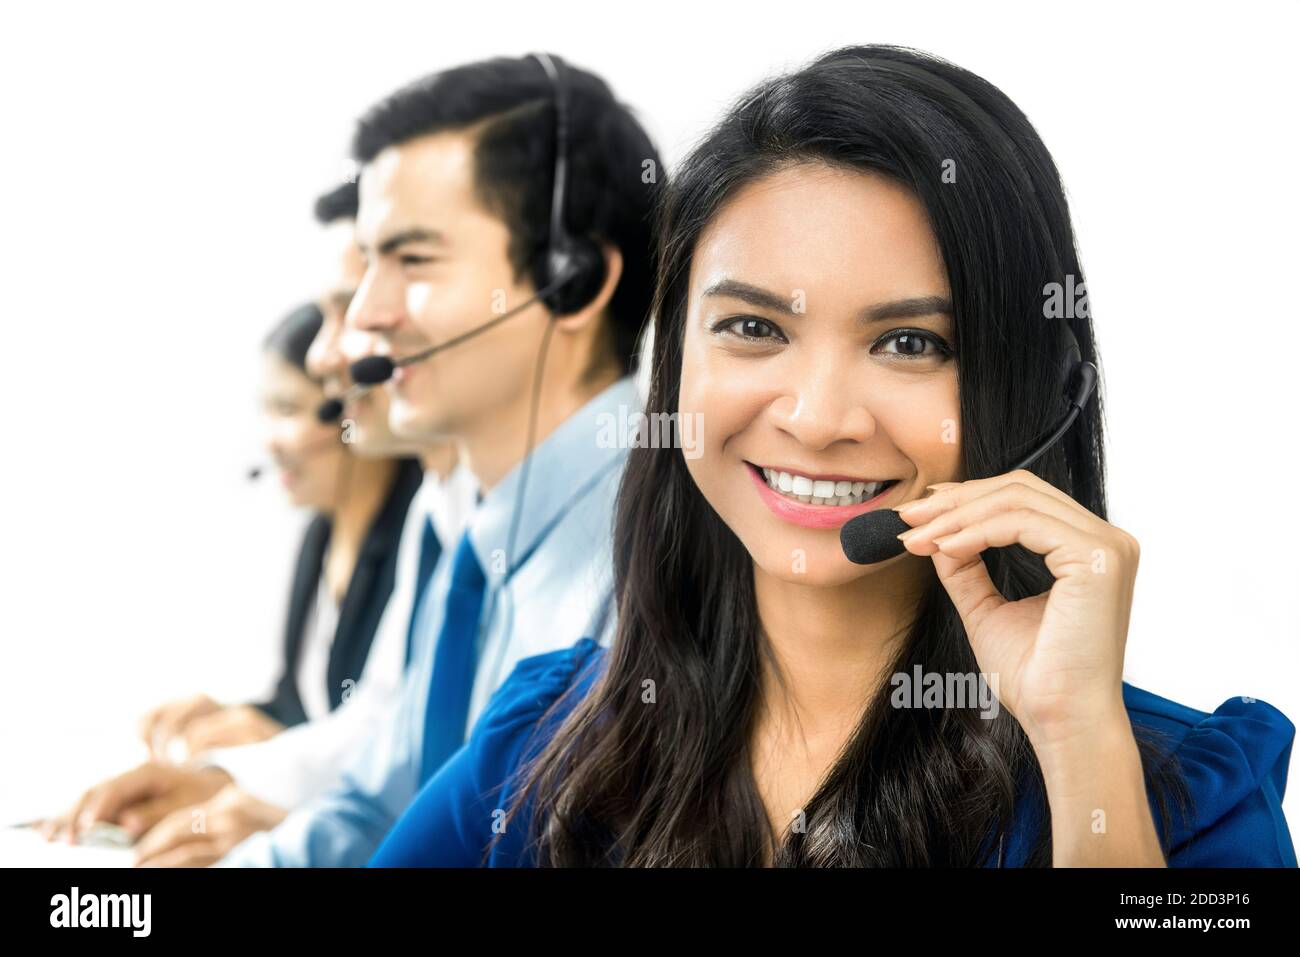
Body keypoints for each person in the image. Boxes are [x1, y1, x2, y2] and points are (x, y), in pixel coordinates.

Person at [369, 44, 1297, 867]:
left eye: (908, 343)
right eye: (751, 325)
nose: (816, 420)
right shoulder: (543, 740)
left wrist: (1079, 741)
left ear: (1027, 386)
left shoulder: (1188, 796)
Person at [218, 52, 661, 867]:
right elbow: (378, 801)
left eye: (413, 260)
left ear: (573, 280)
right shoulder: (477, 529)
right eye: (369, 261)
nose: (363, 318)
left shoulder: (661, 553)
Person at [40, 298, 422, 848]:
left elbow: (392, 737)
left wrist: (264, 755)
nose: (270, 438)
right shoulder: (320, 538)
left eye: (289, 410)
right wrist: (245, 717)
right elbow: (314, 705)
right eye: (266, 411)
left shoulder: (420, 531)